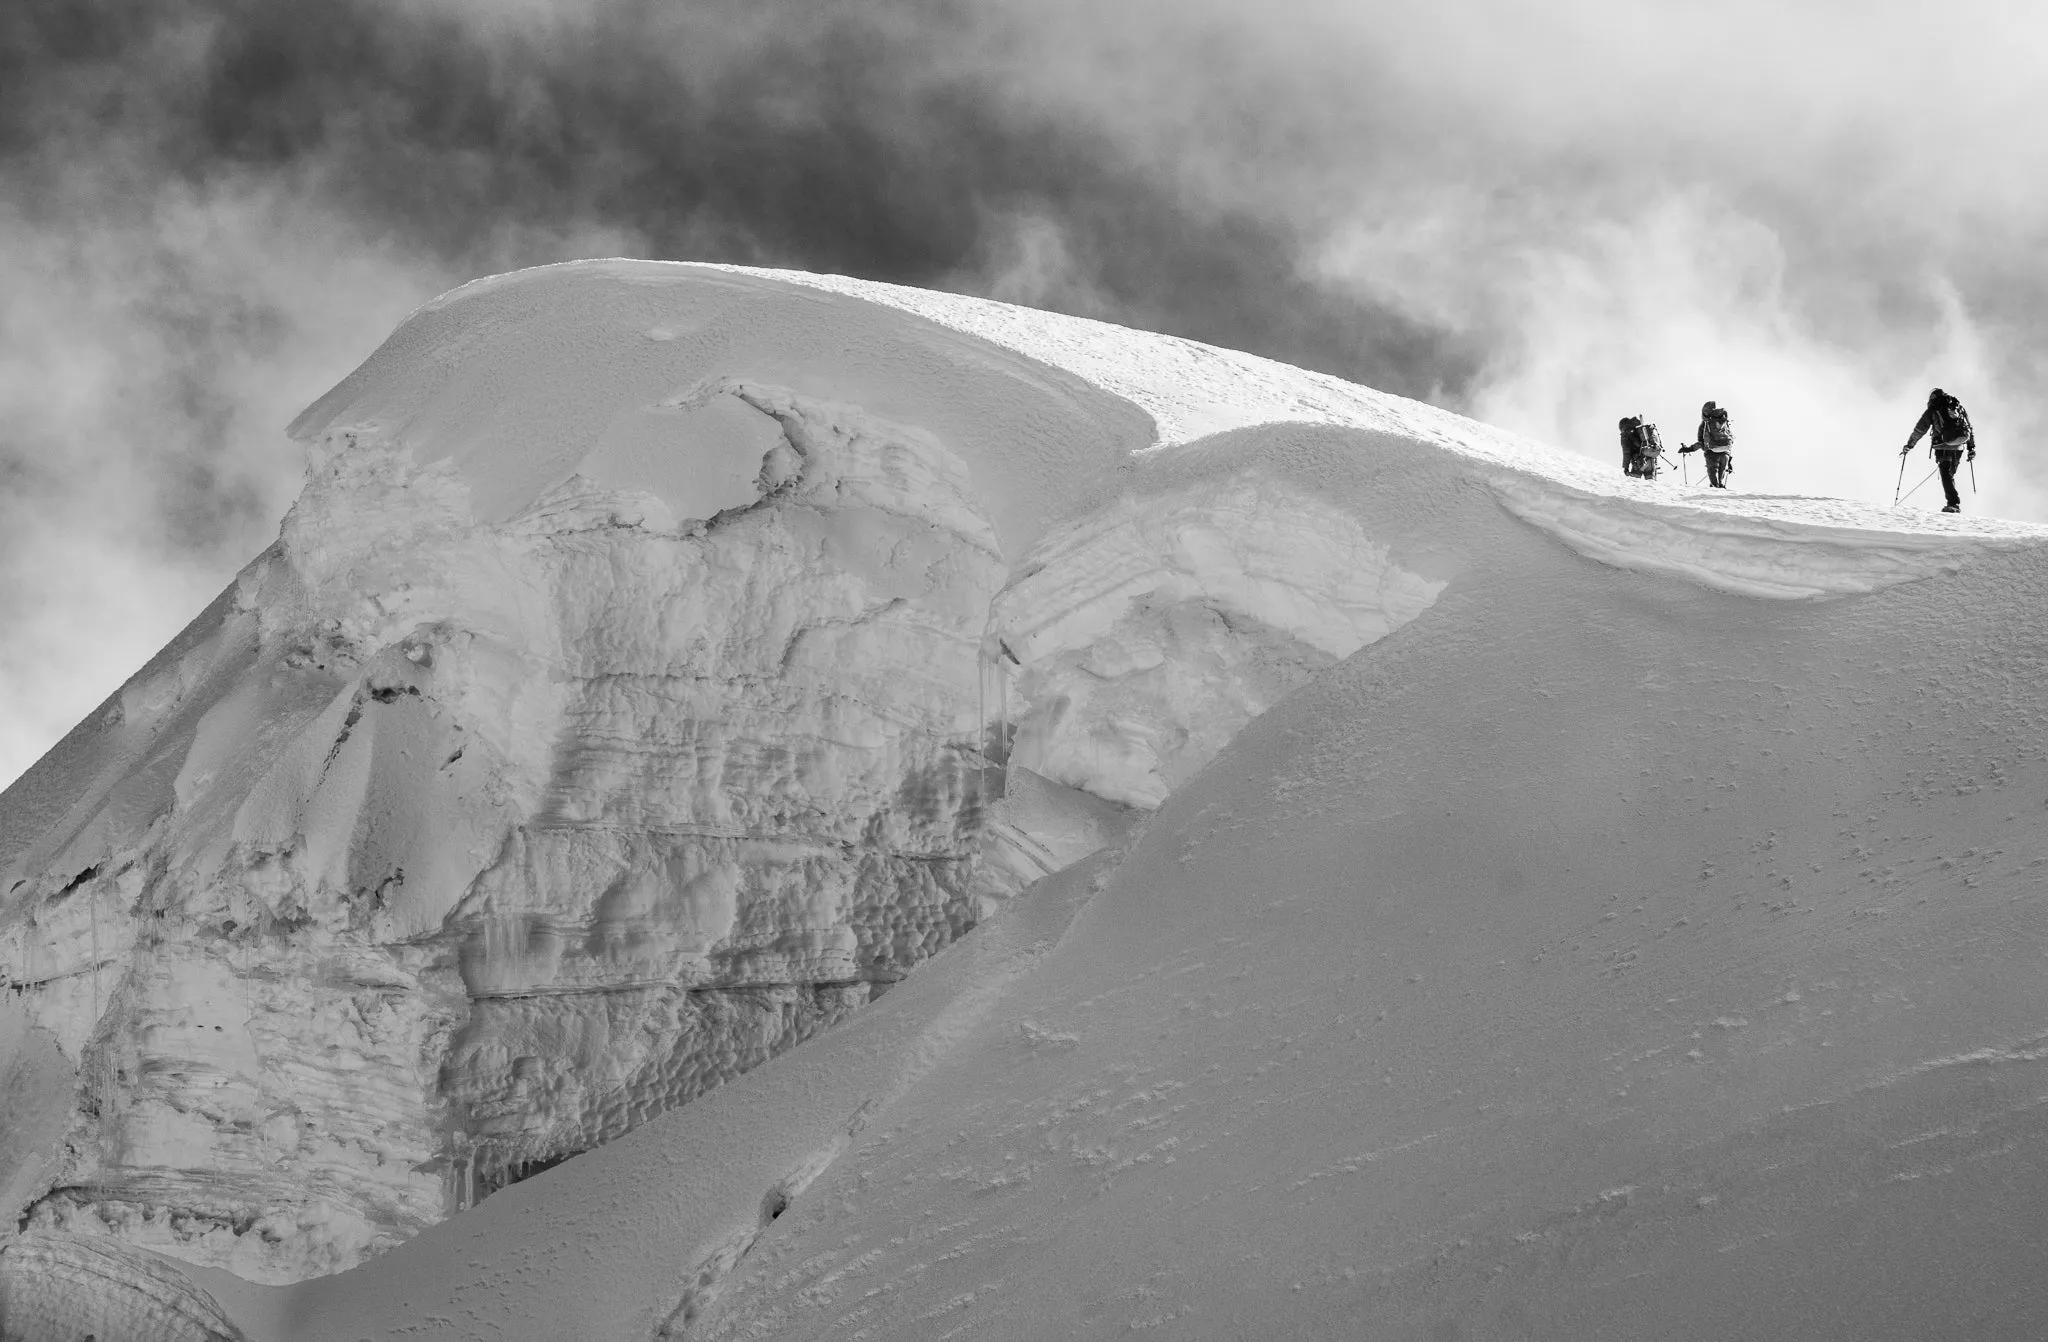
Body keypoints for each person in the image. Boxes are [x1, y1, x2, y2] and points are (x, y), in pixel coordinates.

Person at [1901, 387, 1976, 513]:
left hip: (1943, 445)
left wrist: (1909, 445)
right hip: (1959, 446)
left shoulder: (1934, 408)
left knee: (1946, 474)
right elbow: (1969, 427)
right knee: (1949, 474)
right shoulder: (1958, 407)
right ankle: (1953, 502)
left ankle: (1953, 503)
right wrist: (1971, 448)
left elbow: (1920, 429)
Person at [1680, 401, 1734, 488]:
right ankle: (1720, 485)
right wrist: (1729, 460)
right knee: (1721, 471)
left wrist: (1689, 449)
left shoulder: (1705, 424)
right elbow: (1729, 437)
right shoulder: (1723, 421)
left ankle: (1715, 487)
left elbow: (1701, 442)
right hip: (1725, 450)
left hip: (1711, 450)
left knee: (1712, 471)